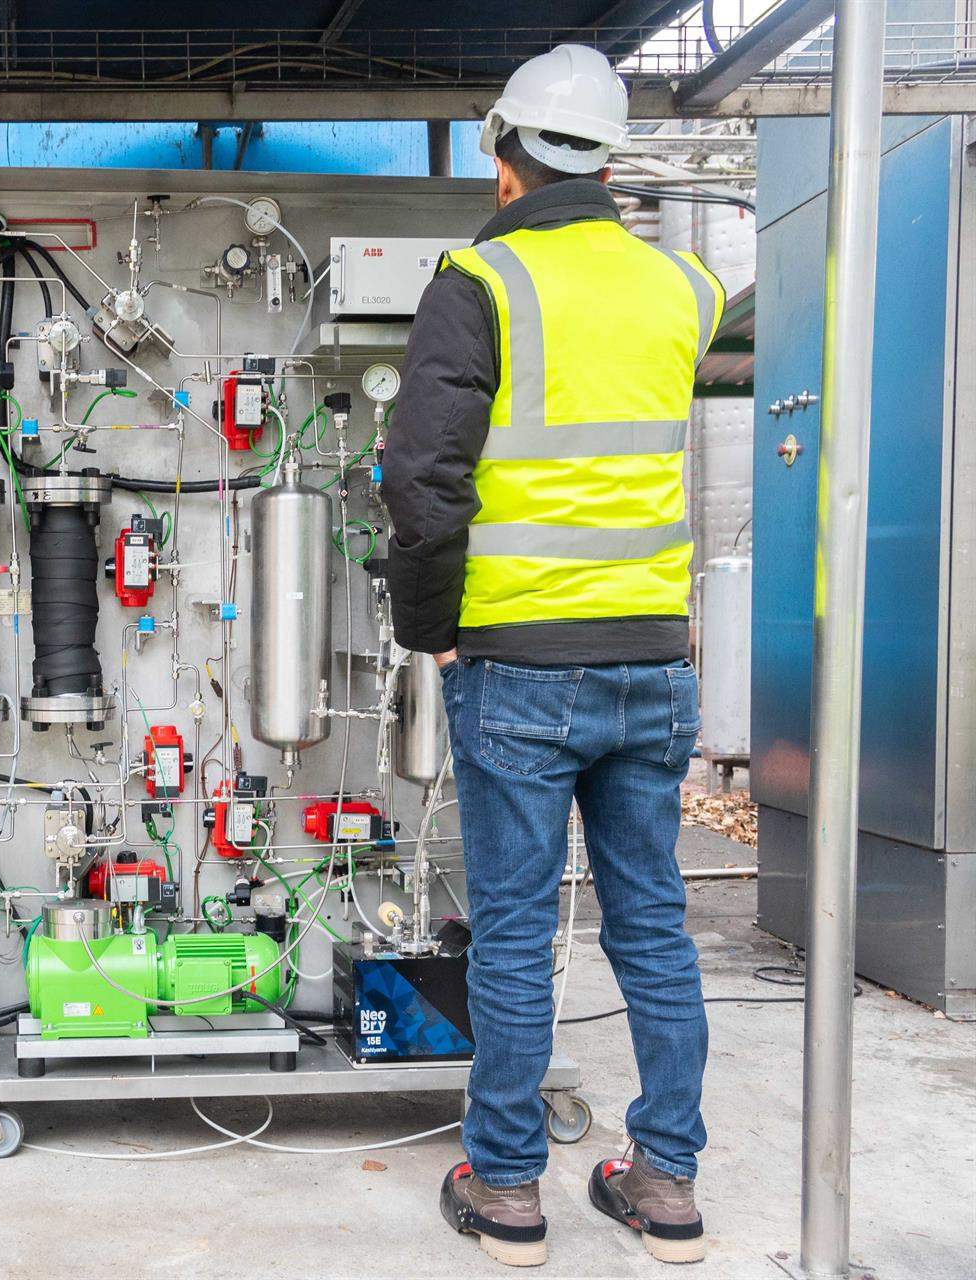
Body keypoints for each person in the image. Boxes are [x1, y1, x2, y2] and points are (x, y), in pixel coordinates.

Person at [379, 43, 725, 1268]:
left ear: (501, 146)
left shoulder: (479, 279)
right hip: (651, 659)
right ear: (611, 153)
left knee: (518, 931)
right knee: (654, 923)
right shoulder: (685, 285)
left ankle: (511, 1189)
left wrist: (430, 628)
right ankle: (666, 1182)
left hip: (521, 660)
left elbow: (421, 480)